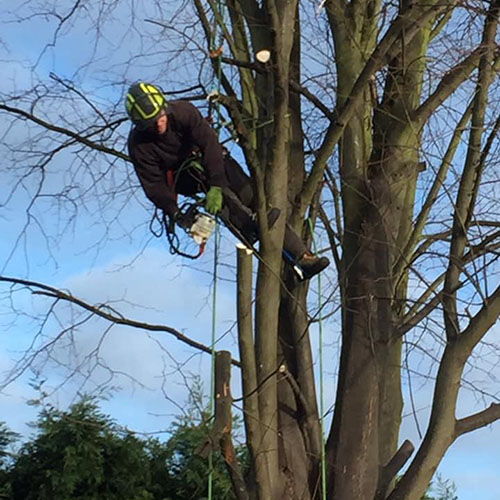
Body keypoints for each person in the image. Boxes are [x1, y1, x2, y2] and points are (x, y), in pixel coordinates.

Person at [125, 82, 329, 280]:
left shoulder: (183, 112)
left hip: (212, 160)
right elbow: (154, 185)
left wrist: (217, 185)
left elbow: (209, 143)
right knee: (206, 182)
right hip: (184, 176)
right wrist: (175, 212)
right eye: (153, 122)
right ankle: (246, 224)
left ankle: (302, 257)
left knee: (250, 194)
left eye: (160, 116)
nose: (160, 123)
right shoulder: (139, 146)